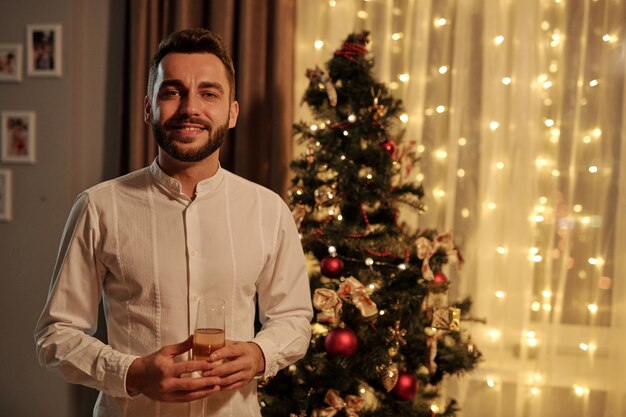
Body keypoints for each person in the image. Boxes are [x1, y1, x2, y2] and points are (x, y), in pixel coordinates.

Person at [34, 28, 313, 417]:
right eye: (172, 92)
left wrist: (260, 354)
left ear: (231, 113)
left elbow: (294, 318)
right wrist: (132, 372)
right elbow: (55, 336)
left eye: (209, 93)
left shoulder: (269, 210)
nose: (190, 108)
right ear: (148, 107)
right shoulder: (98, 207)